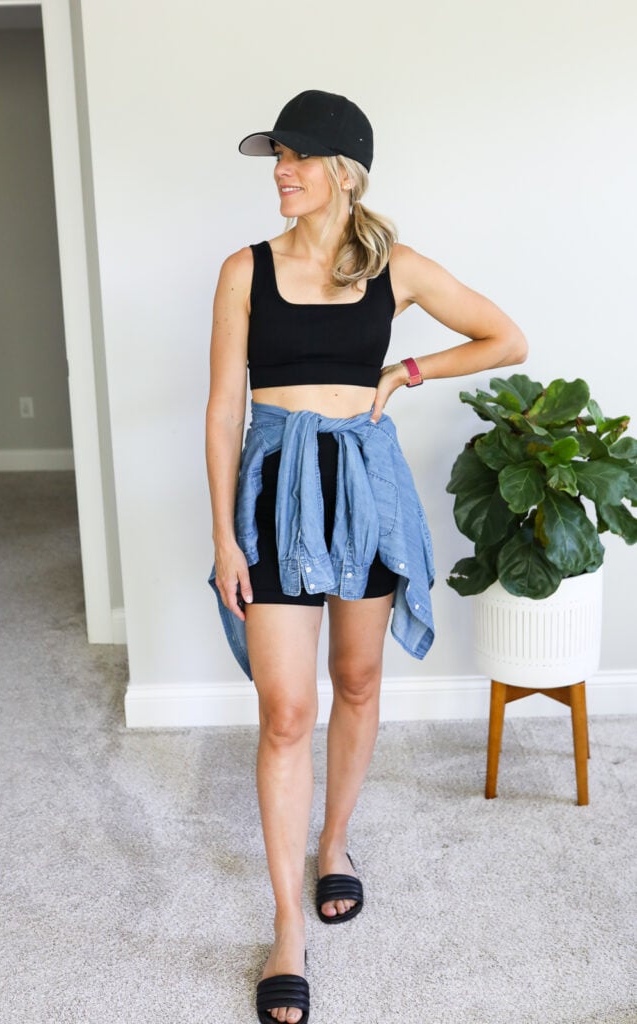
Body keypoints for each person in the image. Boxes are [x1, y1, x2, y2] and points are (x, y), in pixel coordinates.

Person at [206, 89, 527, 1024]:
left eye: (297, 157)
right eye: (275, 158)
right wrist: (223, 532)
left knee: (353, 683)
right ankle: (285, 931)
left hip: (363, 487)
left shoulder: (397, 269)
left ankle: (333, 846)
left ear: (343, 169)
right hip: (271, 492)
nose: (280, 171)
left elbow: (504, 337)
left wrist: (407, 371)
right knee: (284, 711)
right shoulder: (243, 270)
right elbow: (225, 407)